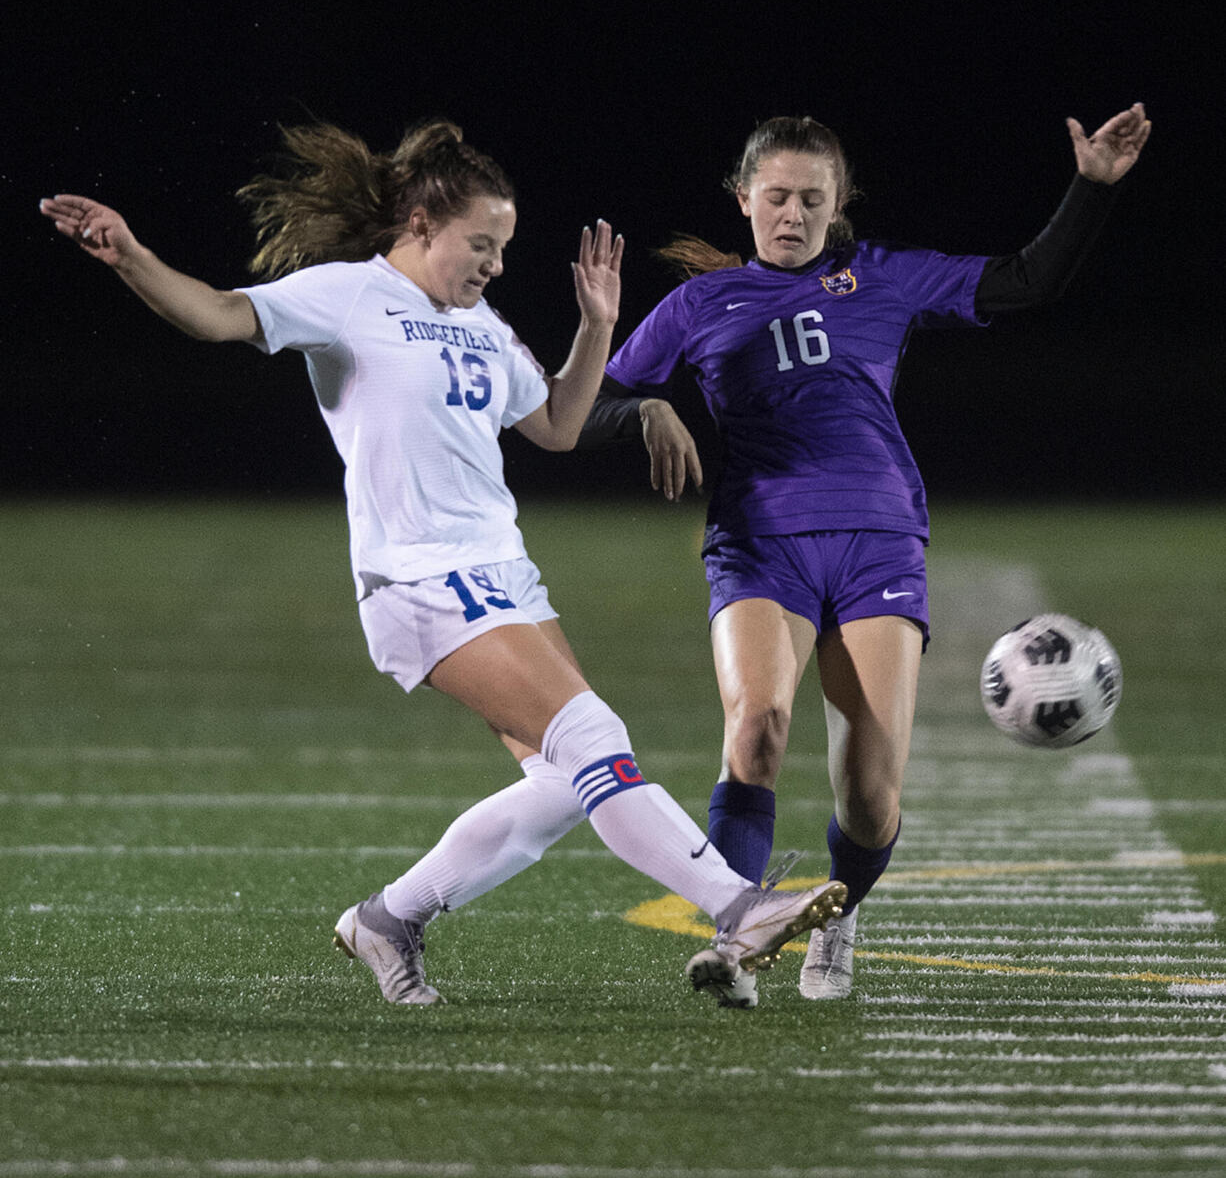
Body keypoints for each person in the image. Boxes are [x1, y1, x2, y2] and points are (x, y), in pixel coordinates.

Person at [39, 117, 846, 1012]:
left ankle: (388, 919)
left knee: (562, 783)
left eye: (503, 247)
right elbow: (219, 314)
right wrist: (130, 255)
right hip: (420, 581)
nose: (496, 263)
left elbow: (558, 426)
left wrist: (597, 326)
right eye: (482, 243)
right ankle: (739, 905)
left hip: (504, 575)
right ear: (421, 225)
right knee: (595, 743)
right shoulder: (348, 295)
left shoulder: (481, 322)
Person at [581, 102, 1152, 1003]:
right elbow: (577, 407)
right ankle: (738, 941)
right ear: (743, 198)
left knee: (871, 798)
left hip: (879, 538)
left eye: (814, 198)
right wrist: (645, 406)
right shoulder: (700, 303)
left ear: (838, 201)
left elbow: (1028, 282)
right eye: (777, 196)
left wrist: (1090, 189)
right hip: (759, 542)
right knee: (757, 726)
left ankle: (838, 915)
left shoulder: (882, 278)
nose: (794, 214)